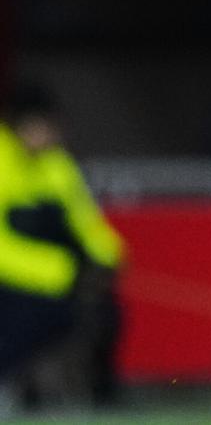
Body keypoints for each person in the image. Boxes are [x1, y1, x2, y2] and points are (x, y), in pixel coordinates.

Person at [0, 84, 124, 412]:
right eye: (45, 126)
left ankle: (99, 396)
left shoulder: (57, 164)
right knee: (29, 316)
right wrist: (58, 269)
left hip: (55, 277)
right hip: (14, 279)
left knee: (106, 311)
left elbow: (85, 222)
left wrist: (108, 259)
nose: (53, 134)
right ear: (21, 125)